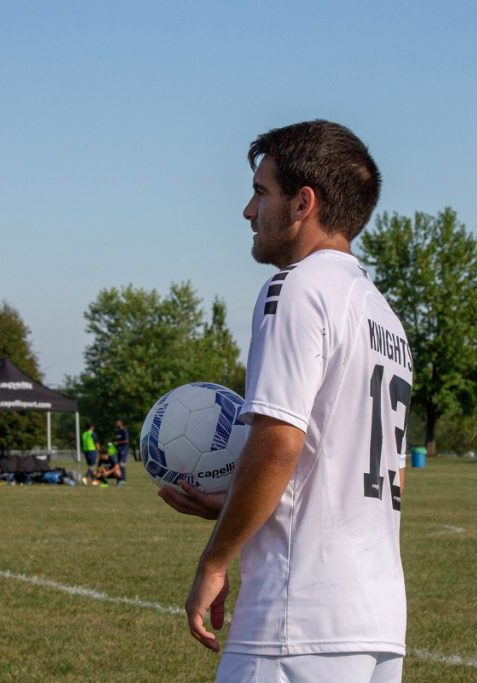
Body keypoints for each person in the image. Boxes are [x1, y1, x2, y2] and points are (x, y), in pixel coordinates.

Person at [160, 121, 413, 682]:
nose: (249, 212)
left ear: (303, 203)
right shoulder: (383, 315)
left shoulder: (297, 288)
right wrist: (232, 506)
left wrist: (216, 558)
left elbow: (279, 443)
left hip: (298, 620)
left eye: (260, 192)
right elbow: (389, 476)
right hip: (377, 619)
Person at [114, 419, 130, 485]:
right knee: (118, 464)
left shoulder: (124, 430)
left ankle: (123, 479)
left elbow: (126, 440)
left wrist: (118, 442)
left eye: (117, 423)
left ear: (121, 423)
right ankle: (119, 479)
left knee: (122, 464)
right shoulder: (118, 431)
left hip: (124, 449)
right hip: (119, 449)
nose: (116, 424)